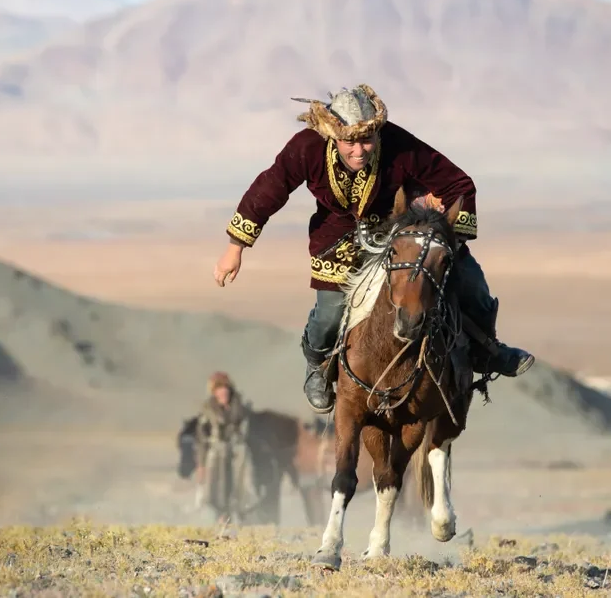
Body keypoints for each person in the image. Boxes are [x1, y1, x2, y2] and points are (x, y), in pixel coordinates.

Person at [212, 84, 535, 414]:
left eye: (367, 140)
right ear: (332, 135)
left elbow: (458, 184)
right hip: (337, 240)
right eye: (349, 142)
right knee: (328, 316)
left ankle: (487, 351)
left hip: (398, 231)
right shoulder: (307, 147)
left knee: (467, 278)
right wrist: (236, 247)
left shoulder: (397, 144)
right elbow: (270, 188)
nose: (359, 150)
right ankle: (317, 367)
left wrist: (449, 238)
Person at [194, 371, 251, 521]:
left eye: (225, 388)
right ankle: (220, 512)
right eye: (219, 389)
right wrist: (201, 463)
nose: (223, 392)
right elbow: (201, 438)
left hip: (238, 450)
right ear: (214, 392)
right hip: (217, 452)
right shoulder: (208, 409)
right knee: (216, 477)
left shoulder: (240, 407)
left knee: (244, 466)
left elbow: (248, 431)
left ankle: (242, 509)